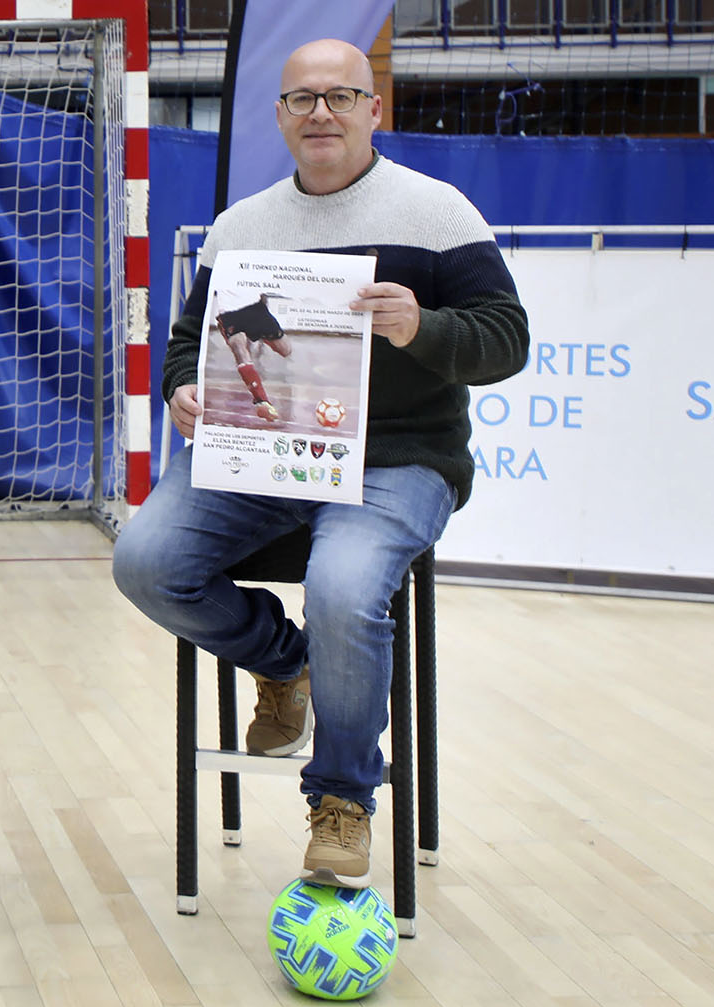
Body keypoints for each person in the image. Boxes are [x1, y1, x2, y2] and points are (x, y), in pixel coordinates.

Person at [112, 39, 530, 887]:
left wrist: (424, 326)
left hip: (395, 458)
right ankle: (285, 660)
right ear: (279, 118)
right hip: (258, 453)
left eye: (340, 97)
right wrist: (186, 386)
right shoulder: (242, 227)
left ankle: (342, 797)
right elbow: (192, 339)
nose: (321, 114)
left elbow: (507, 341)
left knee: (343, 590)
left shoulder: (438, 212)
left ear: (374, 110)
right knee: (144, 563)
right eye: (302, 100)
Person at [213, 293, 293, 421]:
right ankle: (261, 400)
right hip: (229, 312)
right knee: (239, 349)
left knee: (285, 349)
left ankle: (256, 334)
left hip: (254, 308)